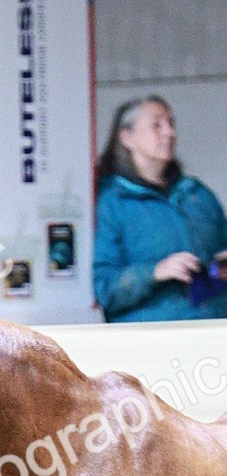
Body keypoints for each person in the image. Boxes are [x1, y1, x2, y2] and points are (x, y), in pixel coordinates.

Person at [94, 95, 227, 322]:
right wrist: (156, 271)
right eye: (157, 125)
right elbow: (103, 288)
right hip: (151, 337)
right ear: (127, 137)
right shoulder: (110, 203)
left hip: (211, 332)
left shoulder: (197, 194)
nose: (169, 132)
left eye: (171, 124)